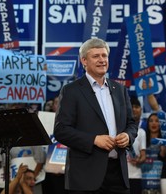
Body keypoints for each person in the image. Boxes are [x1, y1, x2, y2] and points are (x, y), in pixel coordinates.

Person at [53, 38, 138, 193]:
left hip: (118, 174)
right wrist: (94, 140)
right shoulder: (71, 91)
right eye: (96, 56)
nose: (102, 60)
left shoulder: (120, 89)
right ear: (84, 61)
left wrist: (128, 135)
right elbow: (61, 130)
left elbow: (131, 124)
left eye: (104, 56)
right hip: (85, 175)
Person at [127, 97, 146, 194]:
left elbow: (143, 156)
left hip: (135, 176)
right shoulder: (117, 130)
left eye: (136, 107)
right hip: (119, 175)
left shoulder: (141, 132)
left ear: (141, 110)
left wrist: (139, 160)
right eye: (131, 107)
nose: (133, 109)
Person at [141, 113, 163, 194]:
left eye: (157, 121)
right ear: (147, 124)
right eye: (151, 121)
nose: (154, 123)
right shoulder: (142, 140)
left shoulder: (164, 141)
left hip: (160, 180)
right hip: (143, 180)